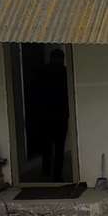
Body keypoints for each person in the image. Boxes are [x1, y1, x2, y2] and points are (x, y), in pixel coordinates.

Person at [36, 48, 69, 181]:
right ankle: (57, 174)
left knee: (47, 146)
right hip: (60, 114)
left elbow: (36, 93)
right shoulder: (65, 72)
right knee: (59, 147)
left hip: (46, 114)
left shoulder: (43, 72)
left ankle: (46, 171)